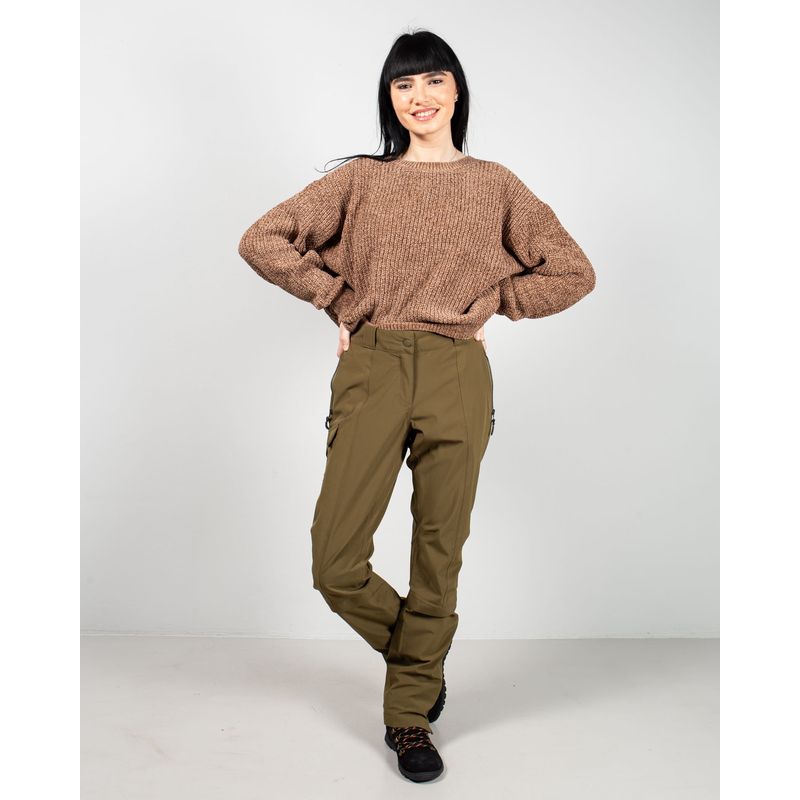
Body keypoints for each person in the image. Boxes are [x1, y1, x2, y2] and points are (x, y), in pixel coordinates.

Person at [237, 29, 596, 783]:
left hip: (457, 371)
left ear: (457, 90)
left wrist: (498, 300)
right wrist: (337, 299)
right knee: (335, 561)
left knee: (439, 547)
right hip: (373, 366)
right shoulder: (360, 182)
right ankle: (421, 662)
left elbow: (572, 271)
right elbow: (262, 239)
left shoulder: (496, 185)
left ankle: (408, 717)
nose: (419, 97)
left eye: (433, 80)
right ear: (389, 98)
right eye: (403, 85)